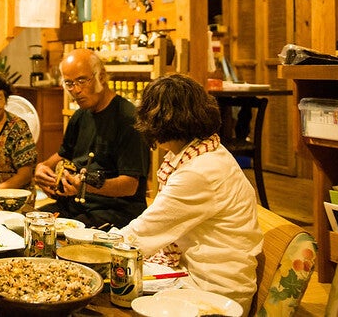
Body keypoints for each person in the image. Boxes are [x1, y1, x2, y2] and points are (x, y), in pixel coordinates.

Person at [113, 74, 262, 314]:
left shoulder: (199, 171)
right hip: (197, 274)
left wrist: (93, 246)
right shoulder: (204, 153)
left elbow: (143, 233)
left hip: (214, 291)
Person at [33, 49, 149, 227]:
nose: (76, 90)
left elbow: (130, 185)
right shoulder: (80, 115)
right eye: (69, 83)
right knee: (29, 223)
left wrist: (85, 186)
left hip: (114, 211)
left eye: (81, 81)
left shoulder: (128, 118)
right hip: (75, 207)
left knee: (59, 234)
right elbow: (64, 154)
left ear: (101, 77)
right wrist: (42, 167)